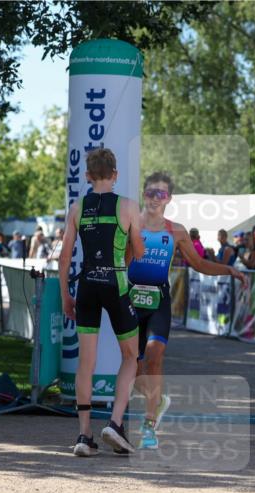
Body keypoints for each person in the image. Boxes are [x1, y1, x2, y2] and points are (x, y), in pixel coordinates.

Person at [128, 172, 247, 450]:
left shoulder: (177, 231)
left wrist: (228, 270)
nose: (155, 198)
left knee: (155, 356)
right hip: (131, 301)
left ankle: (149, 425)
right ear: (144, 194)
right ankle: (158, 400)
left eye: (162, 194)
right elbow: (119, 261)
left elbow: (199, 264)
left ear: (169, 199)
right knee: (132, 370)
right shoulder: (131, 224)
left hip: (158, 301)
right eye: (150, 192)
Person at [58, 148, 145, 457]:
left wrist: (65, 294)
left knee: (86, 361)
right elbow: (138, 250)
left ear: (88, 176)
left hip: (87, 286)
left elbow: (65, 255)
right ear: (116, 174)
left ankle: (84, 435)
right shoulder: (129, 207)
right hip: (116, 283)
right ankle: (116, 424)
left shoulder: (77, 207)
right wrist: (126, 256)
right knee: (131, 356)